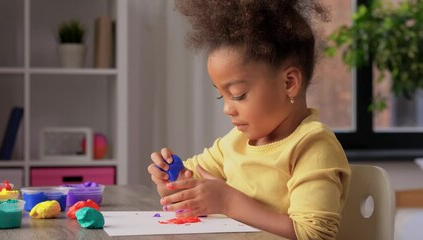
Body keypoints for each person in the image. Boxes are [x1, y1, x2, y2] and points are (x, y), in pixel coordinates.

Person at [148, 1, 351, 239]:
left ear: (289, 83)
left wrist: (227, 201)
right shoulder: (234, 143)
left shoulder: (313, 146)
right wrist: (170, 181)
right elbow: (190, 184)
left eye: (238, 95)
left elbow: (313, 235)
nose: (227, 108)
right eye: (220, 94)